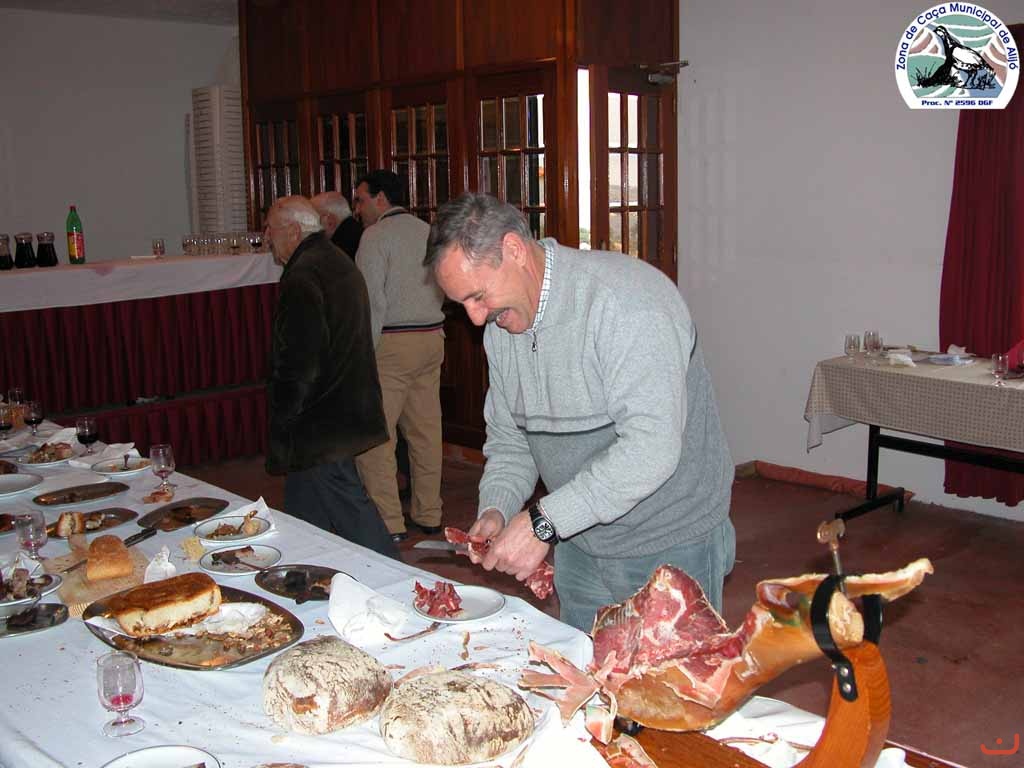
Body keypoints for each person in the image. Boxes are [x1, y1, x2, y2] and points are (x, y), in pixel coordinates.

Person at [424, 193, 735, 632]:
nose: (474, 319)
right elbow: (512, 441)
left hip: (669, 543)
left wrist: (545, 523)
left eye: (477, 296)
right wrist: (497, 508)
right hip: (580, 540)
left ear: (514, 250)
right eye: (462, 305)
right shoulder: (502, 327)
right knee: (586, 666)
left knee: (671, 675)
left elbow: (651, 449)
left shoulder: (627, 305)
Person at [263, 195, 399, 559]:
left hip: (321, 421)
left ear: (293, 231)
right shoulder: (335, 260)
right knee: (304, 513)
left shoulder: (304, 275)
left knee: (353, 514)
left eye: (271, 230)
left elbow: (299, 360)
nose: (268, 239)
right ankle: (298, 576)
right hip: (344, 406)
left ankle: (401, 581)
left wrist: (283, 415)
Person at [352, 170, 446, 543]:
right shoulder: (428, 231)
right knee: (426, 433)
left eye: (361, 199)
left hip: (391, 342)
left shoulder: (375, 237)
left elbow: (371, 301)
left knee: (377, 438)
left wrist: (362, 352)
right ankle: (429, 512)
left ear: (381, 199)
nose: (357, 209)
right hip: (432, 337)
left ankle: (389, 522)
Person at [310, 190, 362, 260]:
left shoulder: (338, 249)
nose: (311, 225)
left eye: (314, 218)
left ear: (330, 221)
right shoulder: (360, 232)